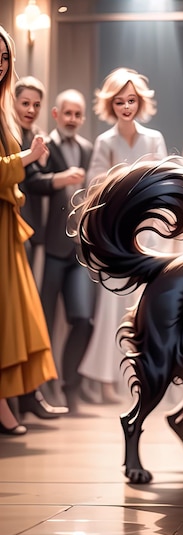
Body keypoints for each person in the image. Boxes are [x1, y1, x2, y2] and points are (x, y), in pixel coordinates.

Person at [80, 68, 168, 405]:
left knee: (144, 307)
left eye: (131, 100)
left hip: (148, 231)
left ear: (140, 102)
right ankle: (104, 379)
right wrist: (122, 180)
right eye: (120, 101)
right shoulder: (105, 141)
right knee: (110, 307)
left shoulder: (153, 138)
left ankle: (144, 376)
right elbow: (93, 184)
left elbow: (162, 182)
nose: (126, 107)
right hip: (114, 233)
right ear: (110, 104)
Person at [22, 89, 95, 414]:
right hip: (49, 247)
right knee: (45, 323)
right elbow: (33, 181)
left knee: (83, 319)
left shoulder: (88, 149)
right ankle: (41, 388)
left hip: (79, 249)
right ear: (55, 114)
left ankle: (70, 385)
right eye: (67, 113)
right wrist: (60, 179)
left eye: (78, 114)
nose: (72, 119)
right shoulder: (42, 145)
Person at [0, 23, 57, 440]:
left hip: (6, 224)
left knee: (15, 318)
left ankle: (11, 401)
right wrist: (27, 157)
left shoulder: (3, 111)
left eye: (4, 58)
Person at [15, 75, 45, 269]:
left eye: (36, 105)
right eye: (25, 103)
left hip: (32, 218)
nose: (31, 110)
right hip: (11, 217)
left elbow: (37, 179)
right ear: (13, 102)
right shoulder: (7, 134)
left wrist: (43, 162)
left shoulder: (38, 136)